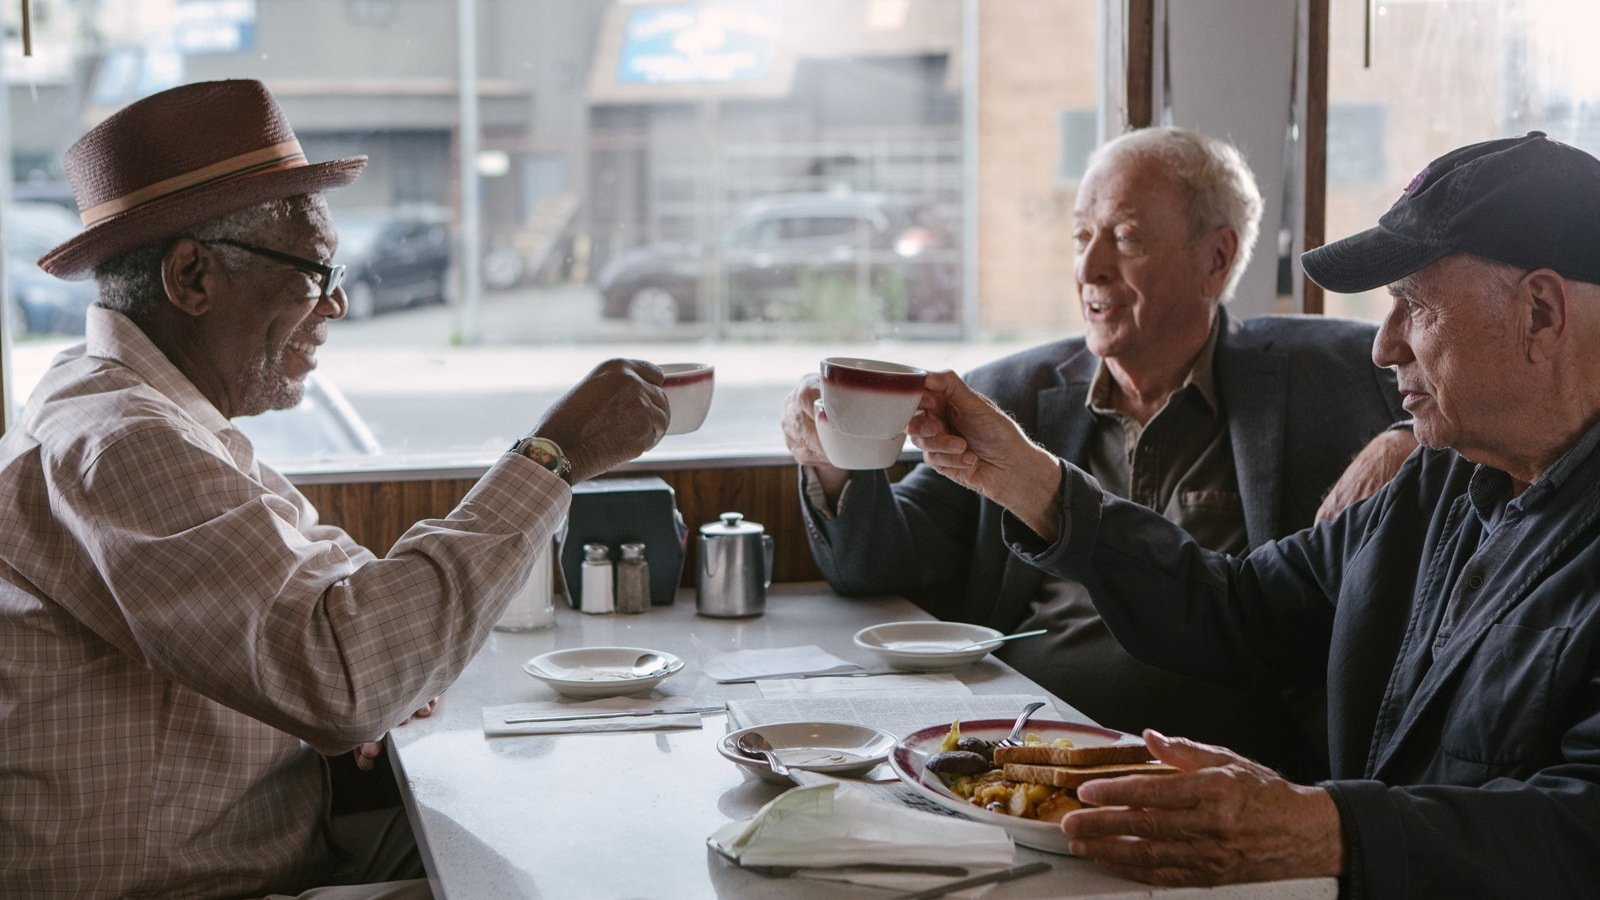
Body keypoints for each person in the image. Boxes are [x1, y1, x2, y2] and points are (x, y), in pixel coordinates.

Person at [0, 81, 667, 899]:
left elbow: (331, 596)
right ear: (193, 276)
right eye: (315, 272)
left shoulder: (137, 408)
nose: (339, 304)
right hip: (182, 884)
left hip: (269, 843)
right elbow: (345, 676)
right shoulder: (121, 442)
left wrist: (385, 672)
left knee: (553, 832)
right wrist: (552, 458)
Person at [907, 131, 1600, 896]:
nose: (1384, 347)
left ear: (1541, 310)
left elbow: (1580, 826)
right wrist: (1031, 482)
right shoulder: (1438, 481)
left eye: (1416, 307)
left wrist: (1321, 829)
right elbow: (1239, 610)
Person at [782, 126, 1411, 777]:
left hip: (1228, 770)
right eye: (1083, 237)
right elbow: (876, 564)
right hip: (1024, 755)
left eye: (1128, 237)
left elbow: (1475, 396)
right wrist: (831, 457)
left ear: (1216, 259)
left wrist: (1408, 438)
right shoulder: (1014, 396)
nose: (1089, 269)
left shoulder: (1324, 374)